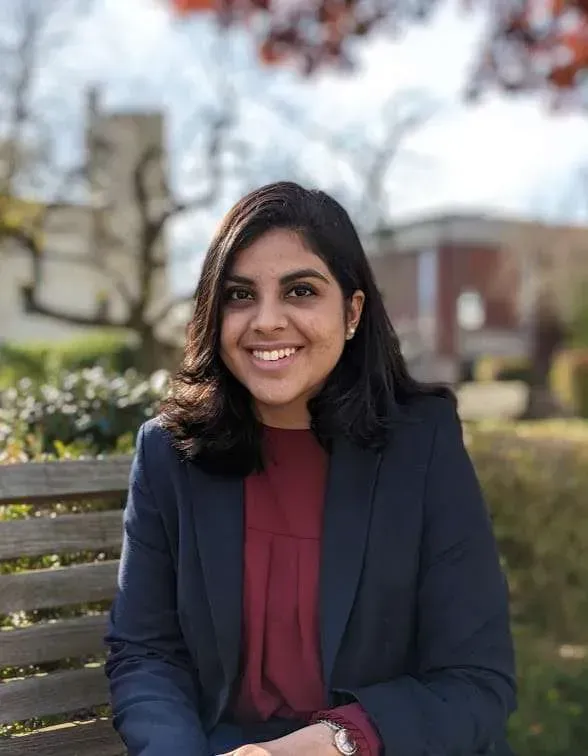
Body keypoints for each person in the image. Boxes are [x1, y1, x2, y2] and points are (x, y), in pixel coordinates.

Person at [104, 181, 516, 756]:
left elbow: (475, 680)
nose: (266, 321)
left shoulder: (421, 446)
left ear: (352, 312)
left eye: (300, 291)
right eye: (239, 295)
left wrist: (336, 742)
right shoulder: (170, 454)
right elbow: (147, 652)